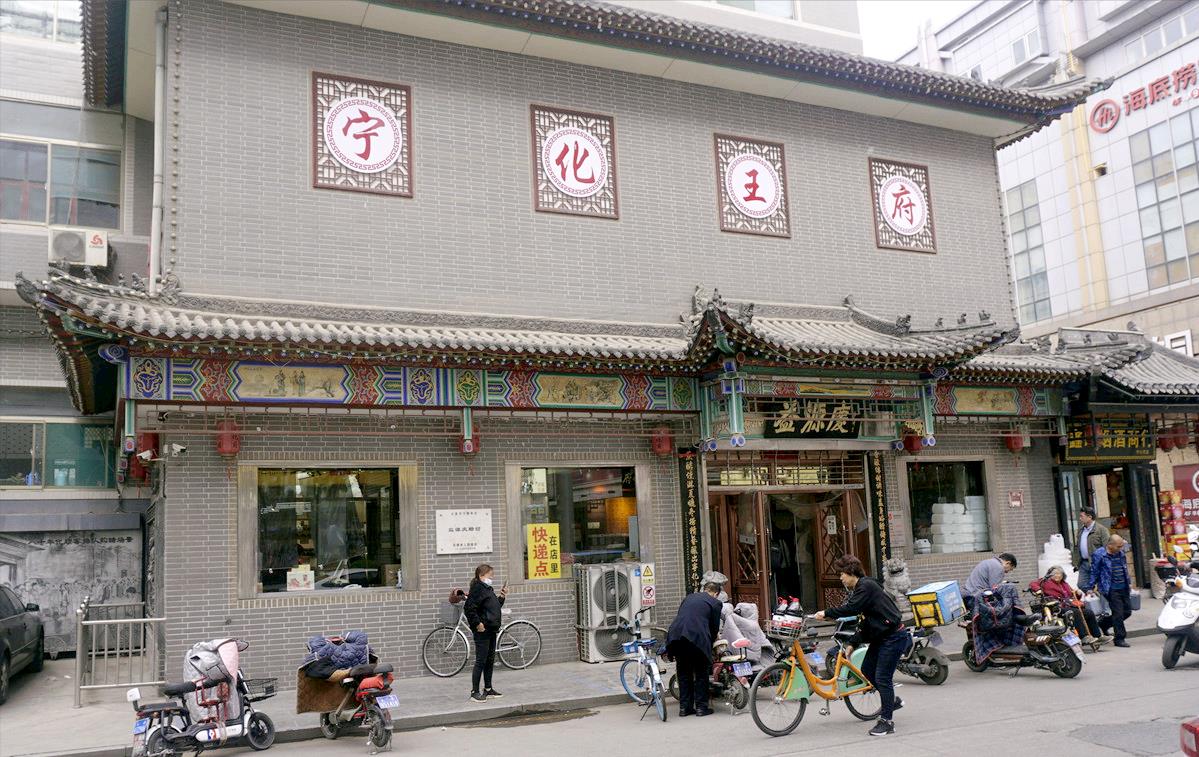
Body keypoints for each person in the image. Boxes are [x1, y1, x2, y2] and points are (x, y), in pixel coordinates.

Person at [814, 555, 907, 738]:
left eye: (842, 574)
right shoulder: (862, 588)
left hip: (893, 637)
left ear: (851, 572)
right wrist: (853, 643)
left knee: (882, 677)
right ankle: (891, 701)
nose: (840, 578)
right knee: (867, 670)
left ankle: (887, 722)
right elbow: (864, 621)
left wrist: (826, 612)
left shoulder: (866, 586)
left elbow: (852, 608)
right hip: (881, 637)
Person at [665, 570, 725, 717]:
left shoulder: (689, 597)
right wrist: (712, 644)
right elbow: (714, 628)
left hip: (676, 636)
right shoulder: (715, 603)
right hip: (697, 638)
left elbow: (684, 616)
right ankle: (701, 708)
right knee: (701, 673)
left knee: (683, 673)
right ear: (716, 593)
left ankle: (684, 708)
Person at [463, 563, 506, 702]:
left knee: (489, 660)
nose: (492, 578)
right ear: (481, 576)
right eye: (490, 575)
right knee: (481, 661)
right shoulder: (477, 589)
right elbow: (469, 608)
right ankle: (474, 692)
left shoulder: (487, 589)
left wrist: (502, 597)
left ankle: (488, 689)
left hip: (491, 628)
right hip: (483, 630)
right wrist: (477, 623)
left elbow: (493, 607)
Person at [1030, 565, 1101, 644]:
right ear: (1050, 575)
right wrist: (1038, 590)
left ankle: (1097, 636)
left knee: (1089, 612)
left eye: (1059, 574)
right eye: (1055, 574)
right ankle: (1084, 637)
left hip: (1068, 605)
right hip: (1056, 607)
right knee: (1075, 613)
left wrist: (1078, 593)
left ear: (1063, 575)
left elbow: (1072, 595)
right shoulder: (1045, 582)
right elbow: (1032, 584)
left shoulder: (1064, 584)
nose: (1057, 575)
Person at [1083, 535, 1133, 647]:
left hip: (1123, 586)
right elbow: (1094, 571)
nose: (1121, 548)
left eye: (1121, 546)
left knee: (1127, 611)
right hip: (1110, 588)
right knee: (1118, 613)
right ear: (1110, 545)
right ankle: (1119, 638)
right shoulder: (1099, 554)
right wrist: (1090, 587)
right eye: (1118, 546)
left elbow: (1124, 568)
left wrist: (1129, 583)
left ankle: (1103, 623)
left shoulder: (1120, 553)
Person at [1071, 508, 1110, 591]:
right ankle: (1093, 595)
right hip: (1084, 563)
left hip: (1097, 563)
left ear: (1089, 517)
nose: (1080, 518)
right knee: (1081, 584)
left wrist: (1105, 563)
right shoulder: (1081, 530)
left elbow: (1107, 547)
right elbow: (1077, 547)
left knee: (1101, 586)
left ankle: (1097, 597)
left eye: (1082, 516)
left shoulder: (1102, 530)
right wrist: (1076, 562)